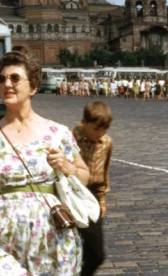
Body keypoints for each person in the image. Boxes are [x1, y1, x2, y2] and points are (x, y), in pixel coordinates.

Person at [0, 51, 89, 276]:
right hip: (0, 238)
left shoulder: (57, 132)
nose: (7, 84)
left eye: (15, 78)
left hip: (51, 239)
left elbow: (85, 176)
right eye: (1, 79)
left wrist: (67, 167)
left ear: (34, 87)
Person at [73, 102, 114, 276]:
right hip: (71, 194)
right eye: (96, 129)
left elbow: (105, 171)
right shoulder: (70, 138)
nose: (100, 133)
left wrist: (102, 200)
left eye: (104, 129)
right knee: (69, 247)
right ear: (84, 122)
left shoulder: (106, 142)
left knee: (97, 254)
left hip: (92, 196)